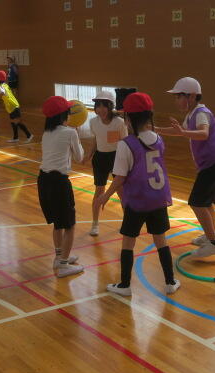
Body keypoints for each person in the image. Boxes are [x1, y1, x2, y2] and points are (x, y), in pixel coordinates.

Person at [94, 92, 180, 296]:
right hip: (158, 199)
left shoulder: (125, 144)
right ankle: (170, 281)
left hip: (137, 201)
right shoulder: (159, 139)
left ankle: (125, 285)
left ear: (128, 118)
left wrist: (105, 195)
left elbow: (120, 178)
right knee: (161, 240)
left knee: (128, 242)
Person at [158, 77, 215, 258]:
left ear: (191, 96)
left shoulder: (201, 113)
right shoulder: (192, 114)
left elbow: (204, 133)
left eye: (178, 96)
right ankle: (213, 236)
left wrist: (183, 132)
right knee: (206, 202)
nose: (176, 101)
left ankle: (213, 244)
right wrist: (156, 129)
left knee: (197, 202)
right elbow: (178, 132)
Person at [39, 96, 85, 278]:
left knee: (58, 224)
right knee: (69, 225)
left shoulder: (46, 133)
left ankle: (59, 257)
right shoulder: (70, 132)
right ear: (63, 115)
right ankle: (64, 265)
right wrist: (77, 136)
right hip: (59, 182)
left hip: (43, 181)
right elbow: (79, 158)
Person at [87, 90, 127, 236]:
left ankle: (127, 223)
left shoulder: (119, 123)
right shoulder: (93, 122)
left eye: (104, 105)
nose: (101, 109)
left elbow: (124, 142)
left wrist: (126, 161)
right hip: (100, 159)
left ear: (110, 106)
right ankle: (95, 224)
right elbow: (95, 140)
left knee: (121, 192)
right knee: (99, 191)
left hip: (116, 157)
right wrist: (89, 154)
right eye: (98, 106)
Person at [0, 70, 33, 143]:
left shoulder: (1, 86)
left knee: (17, 122)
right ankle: (15, 138)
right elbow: (3, 94)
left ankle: (29, 135)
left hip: (13, 106)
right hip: (12, 107)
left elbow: (2, 93)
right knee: (13, 122)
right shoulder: (5, 85)